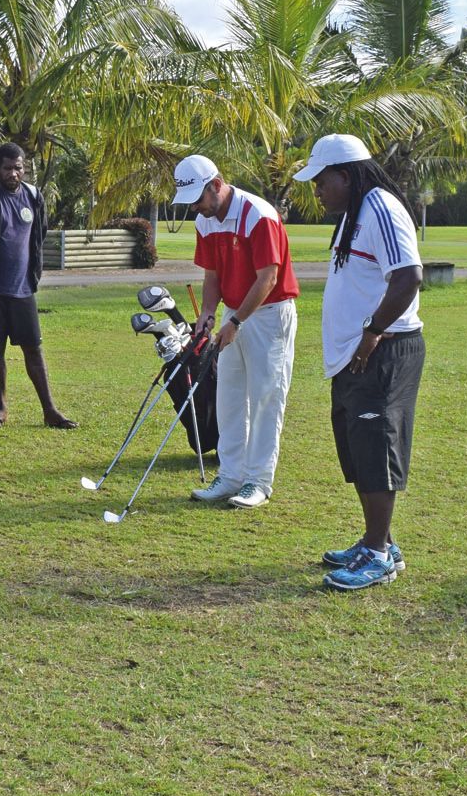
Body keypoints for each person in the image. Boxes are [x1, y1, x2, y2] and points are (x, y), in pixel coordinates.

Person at [296, 134, 424, 591]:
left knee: (375, 446)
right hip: (353, 354)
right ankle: (378, 539)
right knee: (357, 449)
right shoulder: (356, 211)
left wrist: (372, 333)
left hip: (383, 350)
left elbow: (408, 277)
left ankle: (379, 556)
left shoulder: (382, 209)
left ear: (346, 176)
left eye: (322, 181)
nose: (317, 190)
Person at [172, 154, 299, 510]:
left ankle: (258, 481)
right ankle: (230, 475)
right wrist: (210, 312)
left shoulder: (258, 215)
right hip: (233, 313)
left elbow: (268, 278)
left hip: (269, 313)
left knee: (264, 397)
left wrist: (236, 322)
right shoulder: (205, 220)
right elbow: (212, 274)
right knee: (228, 395)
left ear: (216, 185)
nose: (196, 207)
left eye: (198, 199)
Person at [0, 142, 76, 431]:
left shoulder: (34, 196)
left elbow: (38, 235)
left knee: (34, 349)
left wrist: (34, 274)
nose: (13, 173)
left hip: (23, 288)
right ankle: (1, 408)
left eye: (18, 167)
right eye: (7, 168)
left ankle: (50, 410)